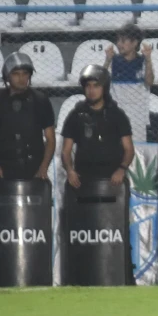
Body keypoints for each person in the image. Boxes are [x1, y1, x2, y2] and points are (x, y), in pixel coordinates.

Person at [60, 66, 135, 216]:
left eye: (96, 86)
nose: (91, 90)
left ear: (104, 88)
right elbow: (66, 150)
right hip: (83, 178)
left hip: (112, 179)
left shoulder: (117, 115)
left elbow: (129, 149)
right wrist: (70, 171)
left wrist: (121, 169)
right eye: (88, 86)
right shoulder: (76, 115)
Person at [0, 53, 56, 183]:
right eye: (16, 74)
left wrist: (43, 167)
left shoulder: (40, 100)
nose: (21, 78)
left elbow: (50, 139)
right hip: (4, 167)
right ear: (7, 76)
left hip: (33, 168)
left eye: (25, 73)